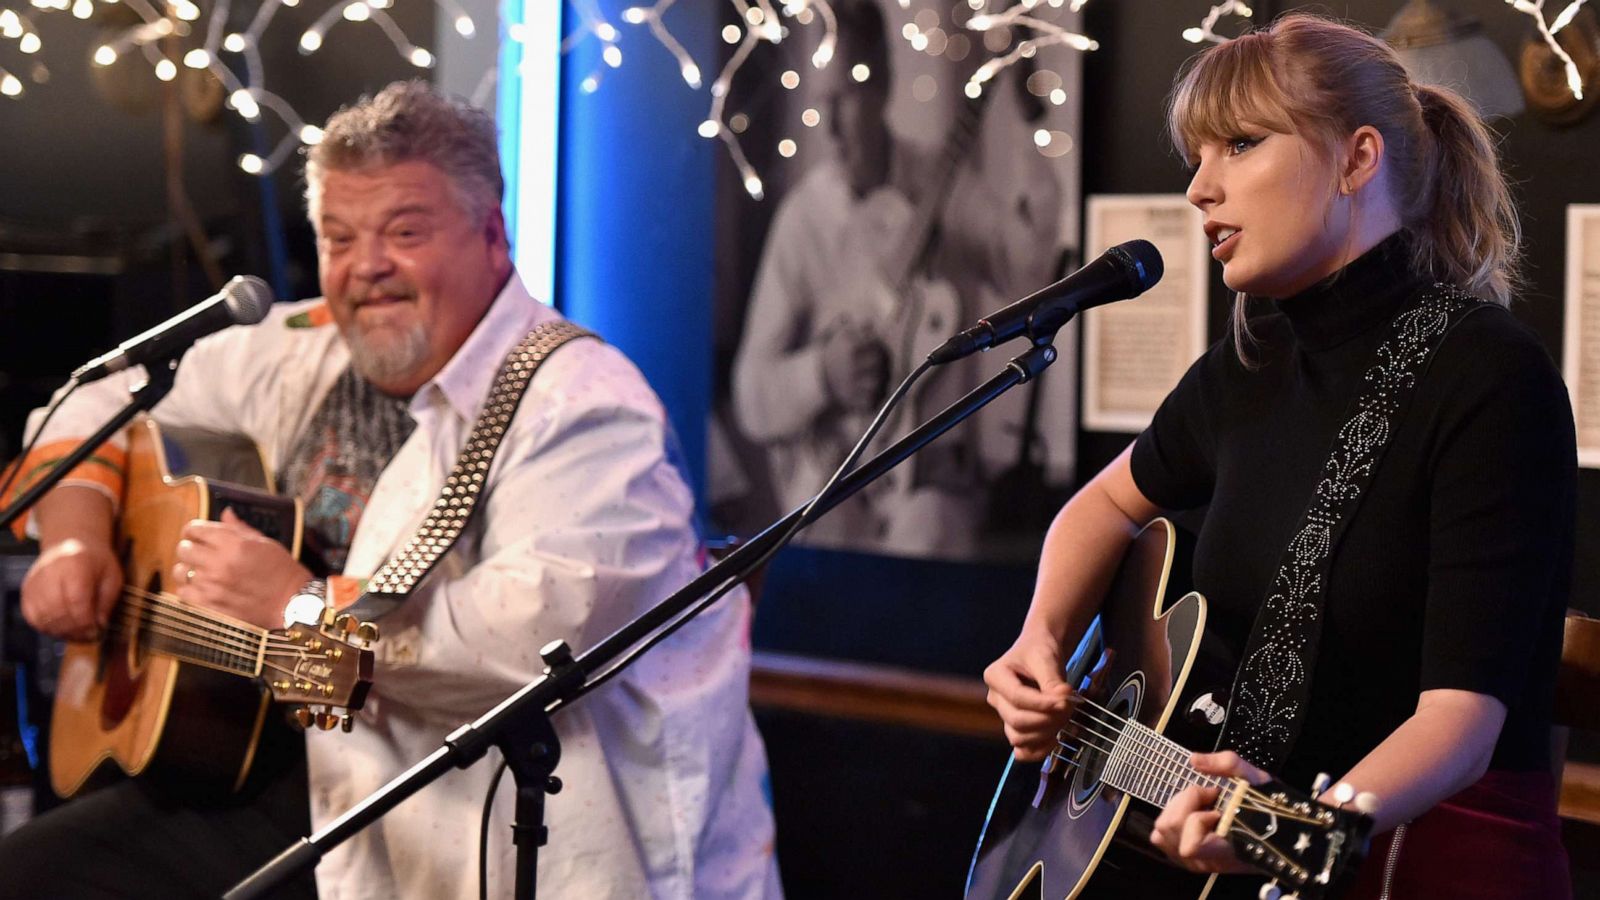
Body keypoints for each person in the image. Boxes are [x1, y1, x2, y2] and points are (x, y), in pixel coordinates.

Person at [0, 81, 781, 899]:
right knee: (36, 873)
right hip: (304, 777)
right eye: (339, 238)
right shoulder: (302, 352)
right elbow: (92, 398)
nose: (366, 267)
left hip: (488, 826)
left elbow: (536, 641)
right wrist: (77, 541)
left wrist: (297, 609)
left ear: (492, 236)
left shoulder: (581, 406)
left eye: (404, 232)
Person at [982, 13, 1573, 898]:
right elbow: (1102, 507)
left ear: (1357, 158)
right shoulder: (1248, 364)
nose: (1198, 189)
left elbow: (1463, 719)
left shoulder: (1488, 376)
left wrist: (1309, 827)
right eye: (1196, 156)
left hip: (1423, 864)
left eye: (1240, 145)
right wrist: (1042, 641)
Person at [728, 0, 1065, 558]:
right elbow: (751, 397)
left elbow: (1028, 268)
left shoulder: (943, 182)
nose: (830, 127)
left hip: (931, 501)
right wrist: (823, 374)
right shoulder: (802, 219)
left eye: (844, 99)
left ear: (880, 85)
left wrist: (1029, 117)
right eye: (819, 105)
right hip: (831, 501)